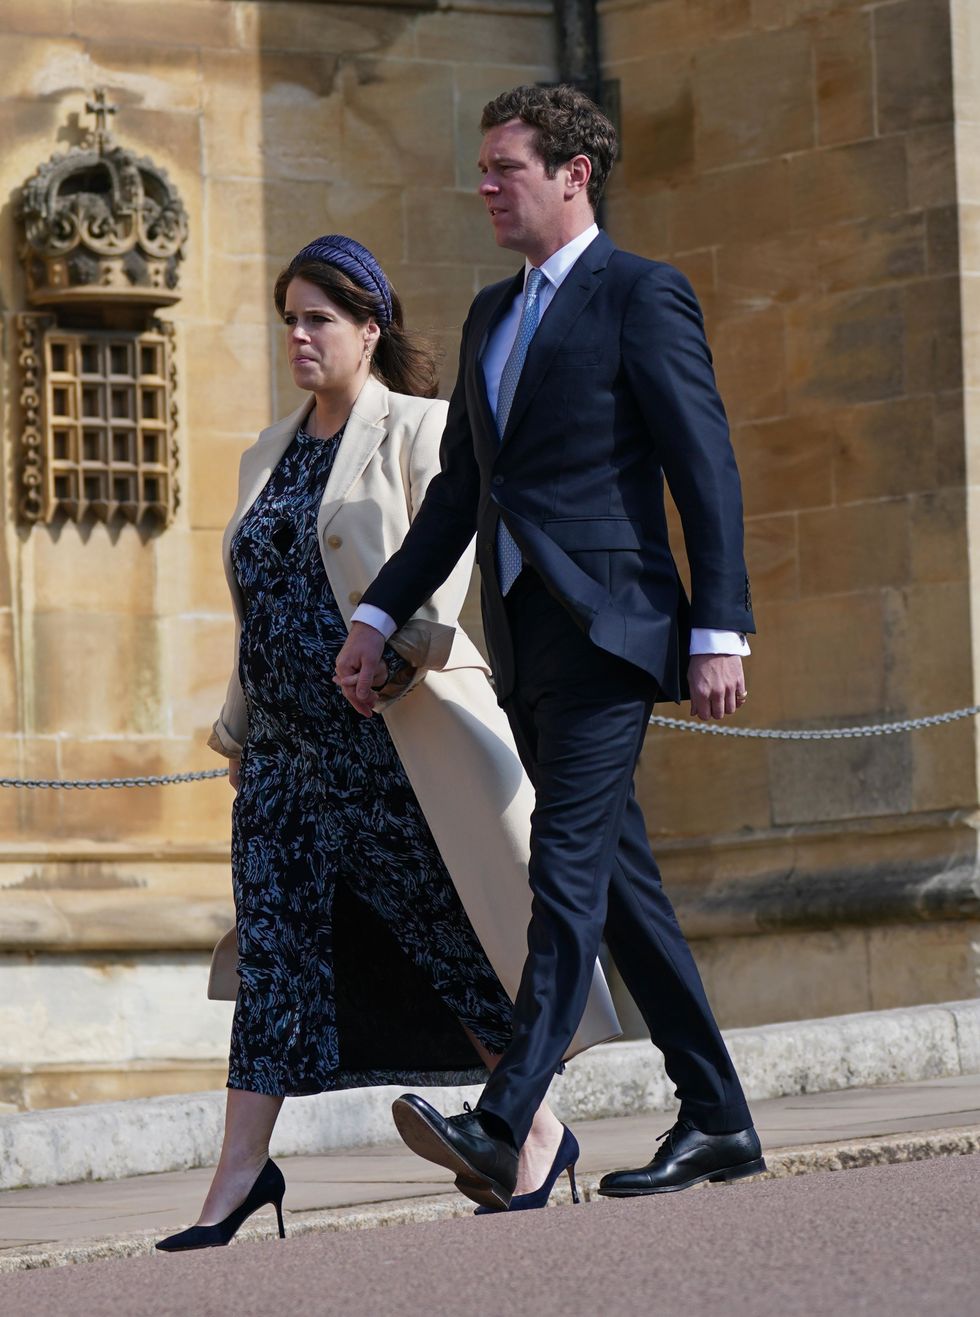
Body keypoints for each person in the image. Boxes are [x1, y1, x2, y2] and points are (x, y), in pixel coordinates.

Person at [335, 85, 766, 1212]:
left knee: (563, 873)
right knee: (619, 890)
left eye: (504, 166)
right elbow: (461, 492)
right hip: (525, 639)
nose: (484, 184)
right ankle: (717, 1114)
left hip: (613, 629)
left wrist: (718, 627)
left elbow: (701, 466)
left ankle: (504, 1117)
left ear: (574, 173)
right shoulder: (488, 315)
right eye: (479, 167)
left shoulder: (641, 295)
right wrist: (378, 612)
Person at [155, 235, 619, 1252]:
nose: (299, 337)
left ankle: (534, 1130)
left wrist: (398, 649)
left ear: (371, 328)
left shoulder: (418, 429)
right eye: (288, 318)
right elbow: (261, 600)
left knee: (446, 943)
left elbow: (441, 565)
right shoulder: (264, 453)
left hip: (385, 742)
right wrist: (237, 725)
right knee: (274, 958)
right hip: (280, 758)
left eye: (319, 318)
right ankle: (237, 1179)